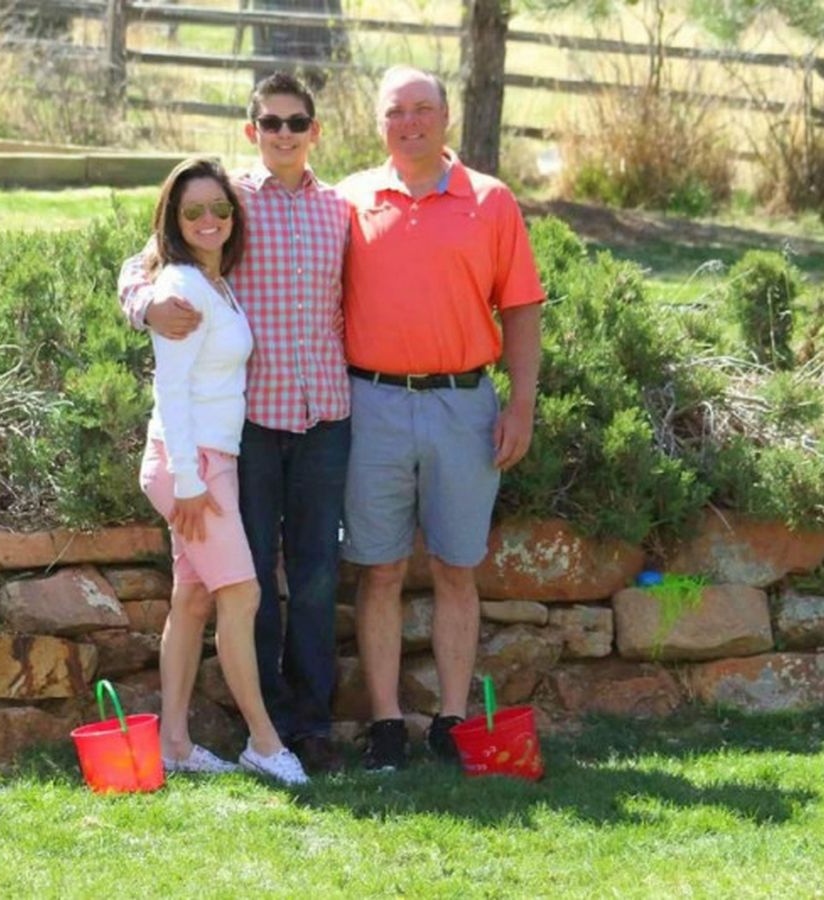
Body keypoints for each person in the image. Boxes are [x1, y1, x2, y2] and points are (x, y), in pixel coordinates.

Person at [119, 73, 351, 774]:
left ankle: (301, 728)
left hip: (324, 416)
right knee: (246, 587)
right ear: (253, 131)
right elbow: (143, 264)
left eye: (296, 121)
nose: (284, 133)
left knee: (302, 577)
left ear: (314, 131)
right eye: (270, 122)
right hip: (245, 432)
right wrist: (143, 307)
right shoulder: (226, 201)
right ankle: (266, 733)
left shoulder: (341, 209)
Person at [338, 65, 544, 771]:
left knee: (458, 568)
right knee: (380, 570)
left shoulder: (491, 200)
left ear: (447, 115)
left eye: (423, 108)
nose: (410, 123)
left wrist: (522, 405)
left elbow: (521, 307)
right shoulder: (349, 200)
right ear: (379, 123)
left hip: (464, 405)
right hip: (371, 405)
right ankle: (386, 723)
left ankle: (453, 720)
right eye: (396, 111)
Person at [138, 156, 308, 786]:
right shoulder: (180, 287)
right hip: (191, 466)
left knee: (192, 598)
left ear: (233, 215)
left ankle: (174, 745)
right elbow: (171, 390)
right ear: (174, 220)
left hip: (214, 461)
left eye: (219, 208)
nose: (208, 219)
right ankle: (264, 743)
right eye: (193, 211)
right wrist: (188, 481)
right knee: (242, 593)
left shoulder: (214, 281)